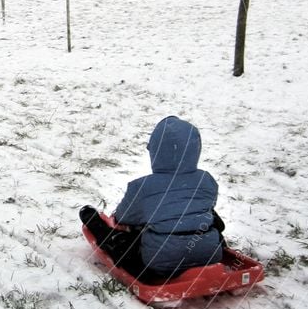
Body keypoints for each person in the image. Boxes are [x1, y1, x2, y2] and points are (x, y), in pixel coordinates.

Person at [79, 116, 224, 277]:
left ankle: (96, 224)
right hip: (210, 255)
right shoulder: (207, 180)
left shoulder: (143, 188)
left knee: (121, 242)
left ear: (156, 151)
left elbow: (123, 219)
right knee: (206, 215)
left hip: (160, 262)